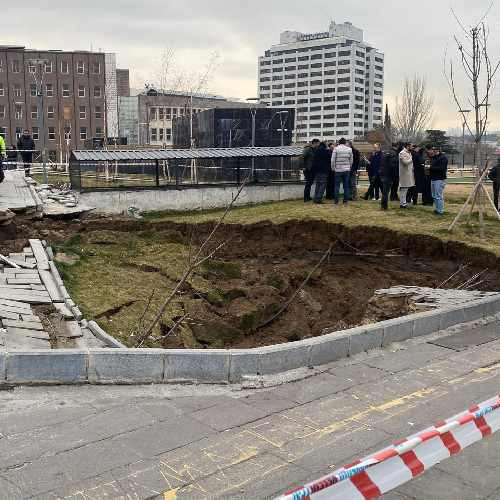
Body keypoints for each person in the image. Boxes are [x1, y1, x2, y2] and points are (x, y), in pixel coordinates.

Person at [427, 146, 449, 215]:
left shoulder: (443, 158)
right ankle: (437, 209)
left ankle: (440, 211)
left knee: (438, 196)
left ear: (439, 150)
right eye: (433, 150)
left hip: (440, 179)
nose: (434, 151)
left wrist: (430, 167)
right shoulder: (434, 157)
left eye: (435, 150)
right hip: (433, 178)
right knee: (434, 195)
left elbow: (441, 168)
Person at [331, 138, 353, 205]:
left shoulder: (336, 149)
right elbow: (351, 160)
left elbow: (332, 160)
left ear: (339, 142)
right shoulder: (349, 149)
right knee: (346, 186)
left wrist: (333, 168)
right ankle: (345, 201)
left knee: (337, 186)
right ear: (345, 142)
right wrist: (349, 166)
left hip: (338, 169)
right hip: (346, 170)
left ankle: (336, 201)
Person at [380, 143, 400, 210]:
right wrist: (395, 175)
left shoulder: (385, 152)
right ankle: (384, 206)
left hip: (383, 173)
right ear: (397, 146)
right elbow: (393, 166)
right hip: (389, 175)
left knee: (384, 191)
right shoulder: (393, 154)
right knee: (386, 192)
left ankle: (383, 205)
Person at [399, 142, 415, 208]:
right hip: (404, 174)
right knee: (403, 189)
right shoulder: (402, 153)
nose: (413, 147)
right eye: (411, 146)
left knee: (406, 190)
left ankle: (403, 203)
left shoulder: (409, 153)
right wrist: (412, 159)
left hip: (409, 174)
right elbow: (405, 162)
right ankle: (403, 204)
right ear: (408, 146)